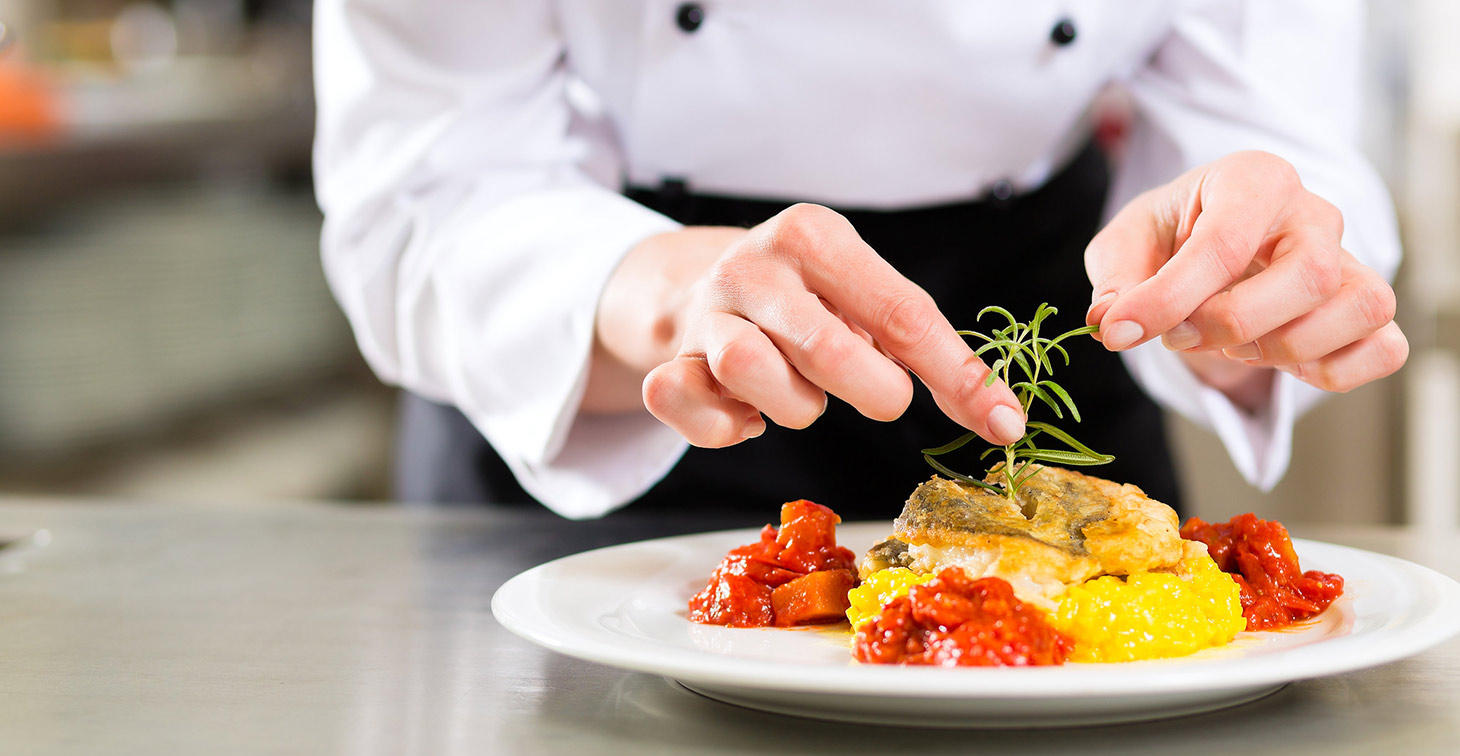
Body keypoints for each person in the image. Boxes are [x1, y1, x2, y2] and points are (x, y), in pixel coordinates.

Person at [312, 2, 1405, 520]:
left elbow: (1264, 124)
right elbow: (427, 186)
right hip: (607, 348)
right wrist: (666, 297)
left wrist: (1236, 284)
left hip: (1038, 353)